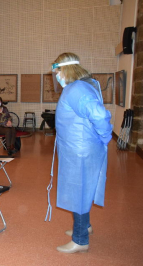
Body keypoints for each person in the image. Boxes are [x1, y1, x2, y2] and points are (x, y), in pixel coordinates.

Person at [52, 53, 112, 254]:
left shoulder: (77, 89)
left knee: (78, 191)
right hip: (77, 149)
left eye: (57, 70)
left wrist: (105, 137)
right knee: (82, 190)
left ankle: (80, 240)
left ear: (66, 69)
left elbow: (100, 115)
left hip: (80, 151)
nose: (56, 75)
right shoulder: (80, 86)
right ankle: (84, 226)